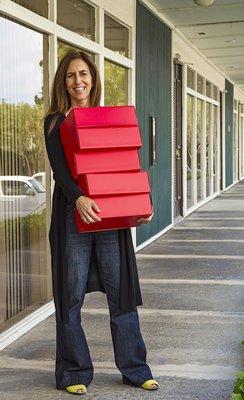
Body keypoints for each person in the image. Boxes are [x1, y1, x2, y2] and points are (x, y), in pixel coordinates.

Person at [43, 50, 159, 395]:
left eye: (83, 74)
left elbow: (124, 163)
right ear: (62, 82)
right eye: (69, 75)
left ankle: (135, 369)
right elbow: (59, 171)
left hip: (110, 215)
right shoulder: (55, 121)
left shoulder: (109, 118)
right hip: (73, 212)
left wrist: (139, 204)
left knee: (121, 293)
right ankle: (73, 372)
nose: (77, 81)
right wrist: (78, 197)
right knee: (70, 296)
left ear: (93, 79)